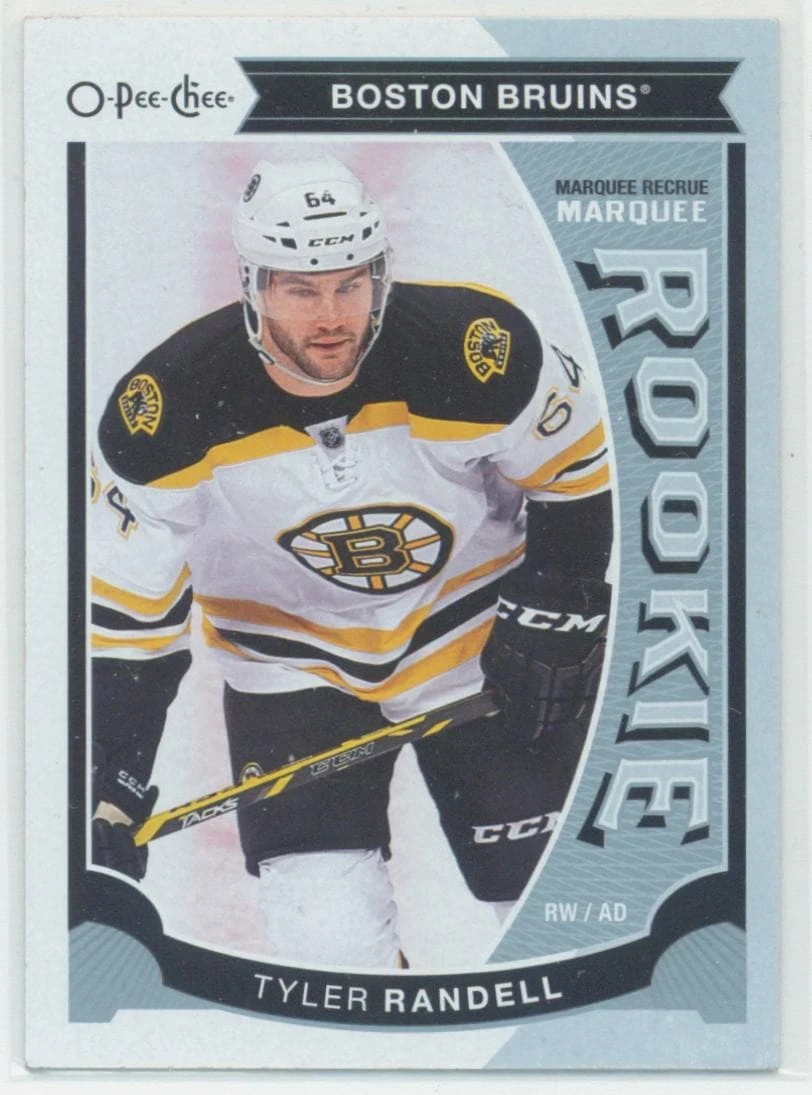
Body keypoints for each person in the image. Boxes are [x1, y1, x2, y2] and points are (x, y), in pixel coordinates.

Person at [90, 153, 612, 969]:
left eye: (350, 283)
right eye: (300, 290)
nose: (332, 316)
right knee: (327, 951)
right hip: (291, 672)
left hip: (477, 647)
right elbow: (132, 622)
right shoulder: (163, 414)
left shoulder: (477, 349)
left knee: (555, 912)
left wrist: (559, 602)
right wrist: (113, 780)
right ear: (253, 285)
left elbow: (577, 471)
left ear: (380, 272)